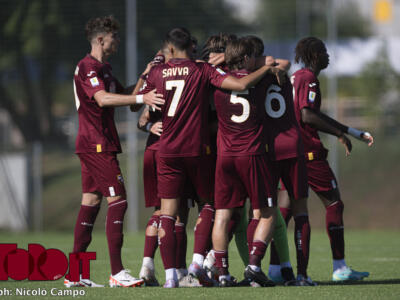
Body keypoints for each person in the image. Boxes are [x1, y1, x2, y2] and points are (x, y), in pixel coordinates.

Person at [138, 27, 283, 288]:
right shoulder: (203, 70)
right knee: (215, 207)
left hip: (165, 149)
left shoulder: (159, 71)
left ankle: (171, 275)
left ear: (169, 49)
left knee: (168, 214)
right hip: (201, 150)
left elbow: (143, 108)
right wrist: (265, 69)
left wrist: (146, 119)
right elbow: (242, 83)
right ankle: (203, 263)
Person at [64, 15, 164, 288]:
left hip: (100, 143)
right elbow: (103, 99)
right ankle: (117, 272)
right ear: (100, 39)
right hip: (96, 144)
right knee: (118, 201)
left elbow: (128, 101)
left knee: (91, 203)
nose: (117, 41)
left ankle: (75, 275)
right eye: (114, 37)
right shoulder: (87, 67)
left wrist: (145, 75)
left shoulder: (104, 68)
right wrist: (142, 97)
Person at [291, 36, 373, 281]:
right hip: (310, 154)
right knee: (334, 204)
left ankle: (277, 269)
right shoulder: (309, 79)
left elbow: (314, 113)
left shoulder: (295, 78)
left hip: (290, 152)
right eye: (324, 51)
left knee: (285, 211)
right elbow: (307, 115)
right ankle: (339, 267)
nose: (328, 56)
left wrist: (350, 132)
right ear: (315, 55)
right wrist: (339, 133)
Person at [211, 38, 284, 287]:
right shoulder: (260, 77)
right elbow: (279, 63)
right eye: (252, 56)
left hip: (225, 157)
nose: (256, 60)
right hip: (251, 154)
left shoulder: (217, 79)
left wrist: (225, 59)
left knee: (222, 215)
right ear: (245, 59)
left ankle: (221, 273)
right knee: (268, 212)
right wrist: (264, 67)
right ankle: (253, 266)